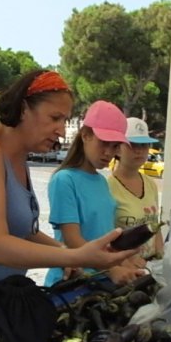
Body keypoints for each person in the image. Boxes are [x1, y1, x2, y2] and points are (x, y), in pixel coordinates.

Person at [0, 71, 136, 337]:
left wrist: (62, 250)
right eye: (54, 118)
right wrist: (75, 255)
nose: (60, 129)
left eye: (65, 120)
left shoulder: (17, 156)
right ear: (23, 108)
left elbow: (23, 229)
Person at [44, 101, 147, 287]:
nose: (108, 152)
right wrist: (111, 269)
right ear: (85, 135)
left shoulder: (101, 181)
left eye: (115, 146)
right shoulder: (64, 180)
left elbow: (105, 237)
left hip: (101, 283)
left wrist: (125, 263)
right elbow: (72, 240)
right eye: (104, 143)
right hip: (71, 284)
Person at [108, 117, 163, 261]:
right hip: (125, 269)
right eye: (132, 145)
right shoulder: (107, 187)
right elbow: (104, 236)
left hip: (151, 267)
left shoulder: (151, 184)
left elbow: (156, 228)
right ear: (118, 149)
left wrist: (161, 257)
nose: (139, 151)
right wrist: (127, 262)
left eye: (144, 145)